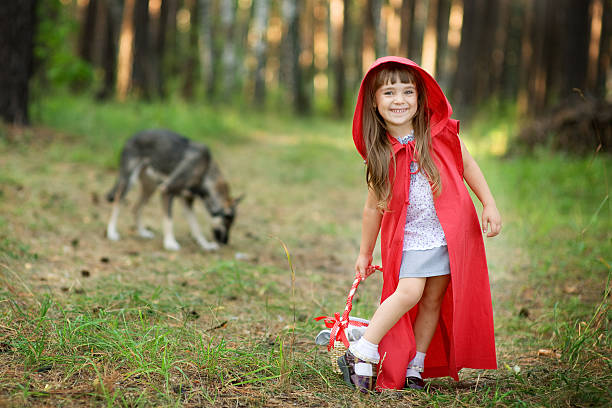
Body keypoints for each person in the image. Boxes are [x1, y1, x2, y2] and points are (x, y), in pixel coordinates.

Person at [337, 56, 502, 392]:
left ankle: (417, 365)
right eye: (389, 93)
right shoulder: (382, 153)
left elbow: (468, 165)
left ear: (420, 97)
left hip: (446, 235)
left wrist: (489, 203)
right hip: (411, 238)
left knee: (432, 301)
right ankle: (362, 349)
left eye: (407, 91)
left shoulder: (439, 134)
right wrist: (365, 253)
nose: (399, 100)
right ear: (374, 102)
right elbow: (373, 209)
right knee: (409, 292)